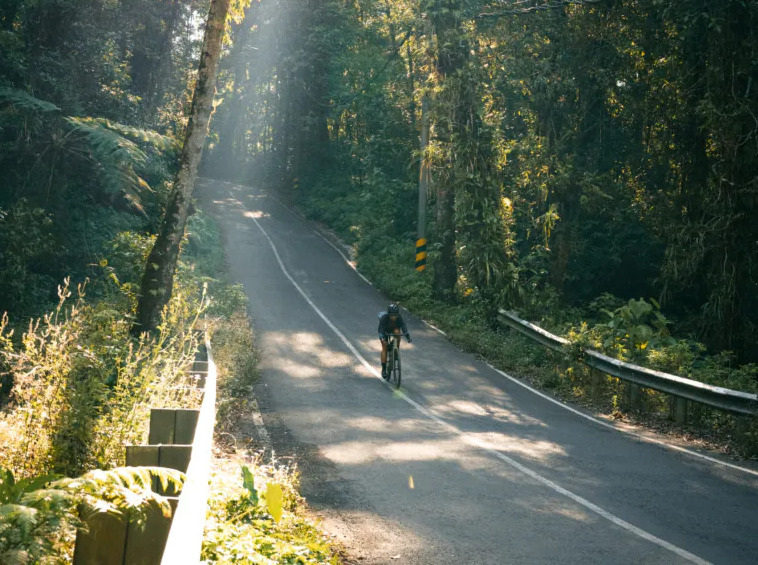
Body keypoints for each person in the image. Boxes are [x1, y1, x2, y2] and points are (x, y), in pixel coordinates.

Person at [378, 303, 411, 379]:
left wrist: (407, 336)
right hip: (385, 332)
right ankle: (383, 369)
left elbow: (403, 326)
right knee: (384, 347)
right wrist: (382, 339)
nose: (393, 317)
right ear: (388, 315)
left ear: (397, 314)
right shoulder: (384, 318)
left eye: (395, 315)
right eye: (391, 315)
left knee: (397, 332)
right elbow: (381, 330)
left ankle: (396, 348)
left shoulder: (399, 317)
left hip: (394, 329)